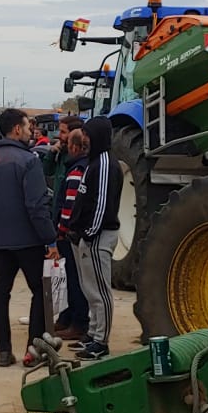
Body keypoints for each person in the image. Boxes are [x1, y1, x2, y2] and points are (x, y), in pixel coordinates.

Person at [0, 108, 56, 367]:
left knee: (1, 292)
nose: (31, 131)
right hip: (29, 240)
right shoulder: (29, 161)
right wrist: (49, 239)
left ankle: (3, 351)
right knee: (39, 292)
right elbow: (36, 206)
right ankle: (33, 350)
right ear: (17, 129)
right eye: (28, 127)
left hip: (1, 241)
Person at [60, 117, 123, 359]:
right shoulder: (94, 162)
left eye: (86, 133)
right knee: (90, 289)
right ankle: (93, 334)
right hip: (87, 237)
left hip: (97, 237)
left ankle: (101, 342)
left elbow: (102, 204)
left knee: (100, 292)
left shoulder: (105, 164)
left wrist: (89, 233)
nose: (82, 138)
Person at [48, 124, 91, 341]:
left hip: (69, 233)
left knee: (74, 280)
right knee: (67, 279)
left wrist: (61, 230)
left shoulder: (76, 171)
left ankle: (78, 323)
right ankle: (67, 318)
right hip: (69, 232)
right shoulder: (70, 164)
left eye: (64, 133)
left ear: (75, 147)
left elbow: (69, 205)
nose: (60, 137)